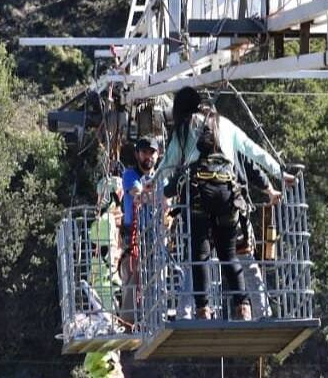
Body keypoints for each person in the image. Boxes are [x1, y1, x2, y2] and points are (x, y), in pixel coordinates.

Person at [149, 86, 283, 321]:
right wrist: (280, 173)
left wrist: (152, 184)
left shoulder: (184, 128)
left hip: (199, 195)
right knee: (229, 254)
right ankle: (244, 307)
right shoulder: (225, 124)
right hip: (228, 196)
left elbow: (168, 164)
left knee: (199, 255)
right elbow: (253, 152)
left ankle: (202, 310)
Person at [117, 137, 160, 322]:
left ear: (158, 156)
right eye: (144, 152)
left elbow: (164, 200)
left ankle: (155, 316)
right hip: (133, 235)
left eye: (152, 153)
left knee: (157, 274)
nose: (148, 156)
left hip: (155, 234)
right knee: (133, 277)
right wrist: (154, 195)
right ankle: (128, 322)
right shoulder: (130, 175)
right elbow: (138, 194)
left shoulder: (161, 177)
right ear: (137, 154)